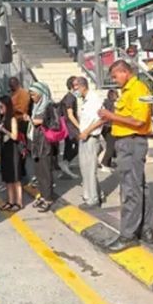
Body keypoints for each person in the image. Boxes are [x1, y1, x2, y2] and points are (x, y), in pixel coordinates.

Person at [98, 60, 153, 252]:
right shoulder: (129, 91)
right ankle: (144, 228)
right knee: (139, 186)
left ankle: (128, 234)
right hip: (129, 142)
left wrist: (111, 116)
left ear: (125, 72)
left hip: (131, 142)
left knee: (130, 188)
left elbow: (139, 121)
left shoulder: (137, 89)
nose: (114, 80)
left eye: (115, 76)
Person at [22, 81, 58, 212]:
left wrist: (36, 121)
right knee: (38, 172)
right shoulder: (36, 106)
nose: (32, 97)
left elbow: (55, 124)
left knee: (45, 172)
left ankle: (48, 198)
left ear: (41, 93)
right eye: (31, 95)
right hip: (35, 144)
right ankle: (43, 195)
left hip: (44, 144)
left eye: (34, 94)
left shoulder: (49, 106)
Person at [75, 77, 104, 208]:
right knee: (85, 168)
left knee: (90, 169)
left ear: (82, 86)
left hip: (91, 137)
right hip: (84, 137)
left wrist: (87, 131)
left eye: (76, 87)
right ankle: (95, 194)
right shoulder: (85, 101)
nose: (75, 90)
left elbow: (101, 119)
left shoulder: (94, 99)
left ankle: (93, 199)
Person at [0, 95, 23, 212]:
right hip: (5, 150)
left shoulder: (12, 119)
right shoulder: (2, 118)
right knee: (8, 178)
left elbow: (15, 136)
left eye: (1, 106)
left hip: (13, 151)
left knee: (15, 178)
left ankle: (19, 202)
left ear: (7, 106)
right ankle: (10, 201)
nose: (0, 109)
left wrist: (3, 130)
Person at [59, 76, 81, 179]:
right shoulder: (70, 98)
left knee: (68, 146)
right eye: (76, 84)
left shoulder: (70, 97)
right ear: (71, 86)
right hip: (70, 127)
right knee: (79, 145)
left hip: (69, 126)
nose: (78, 87)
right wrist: (79, 126)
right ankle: (65, 163)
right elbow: (70, 114)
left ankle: (65, 168)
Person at [99, 89, 118, 170]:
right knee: (111, 146)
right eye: (116, 95)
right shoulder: (111, 104)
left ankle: (109, 163)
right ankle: (105, 163)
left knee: (111, 145)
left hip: (105, 128)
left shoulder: (105, 103)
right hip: (109, 127)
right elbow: (112, 116)